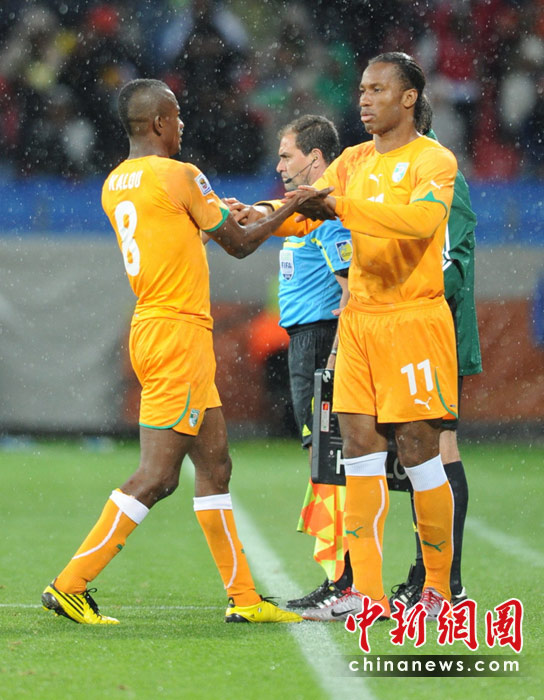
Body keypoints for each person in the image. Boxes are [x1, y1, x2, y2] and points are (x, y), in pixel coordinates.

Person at [40, 78, 331, 625]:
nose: (182, 124)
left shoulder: (115, 182)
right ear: (157, 122)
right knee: (157, 476)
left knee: (215, 465)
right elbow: (239, 245)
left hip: (155, 325)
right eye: (175, 116)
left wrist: (232, 214)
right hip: (177, 333)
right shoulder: (180, 174)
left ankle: (244, 598)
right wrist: (296, 204)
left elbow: (183, 233)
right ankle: (70, 584)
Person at [274, 52, 460, 622]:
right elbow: (304, 211)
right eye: (361, 89)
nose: (364, 99)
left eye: (377, 89)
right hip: (358, 321)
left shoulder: (433, 160)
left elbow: (421, 222)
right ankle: (368, 594)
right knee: (356, 449)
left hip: (412, 319)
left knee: (419, 452)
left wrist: (341, 206)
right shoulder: (353, 159)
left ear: (408, 97)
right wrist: (246, 216)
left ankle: (437, 590)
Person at [229, 115, 353, 608]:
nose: (279, 165)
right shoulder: (304, 215)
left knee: (330, 461)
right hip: (307, 343)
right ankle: (343, 576)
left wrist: (337, 354)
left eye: (287, 156)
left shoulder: (325, 217)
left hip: (321, 343)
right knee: (324, 460)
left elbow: (350, 289)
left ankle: (345, 581)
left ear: (315, 159)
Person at [389, 111, 482, 608]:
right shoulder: (401, 172)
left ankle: (446, 582)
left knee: (438, 447)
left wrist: (393, 296)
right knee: (415, 453)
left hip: (434, 332)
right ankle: (427, 575)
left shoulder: (443, 172)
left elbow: (452, 265)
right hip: (407, 331)